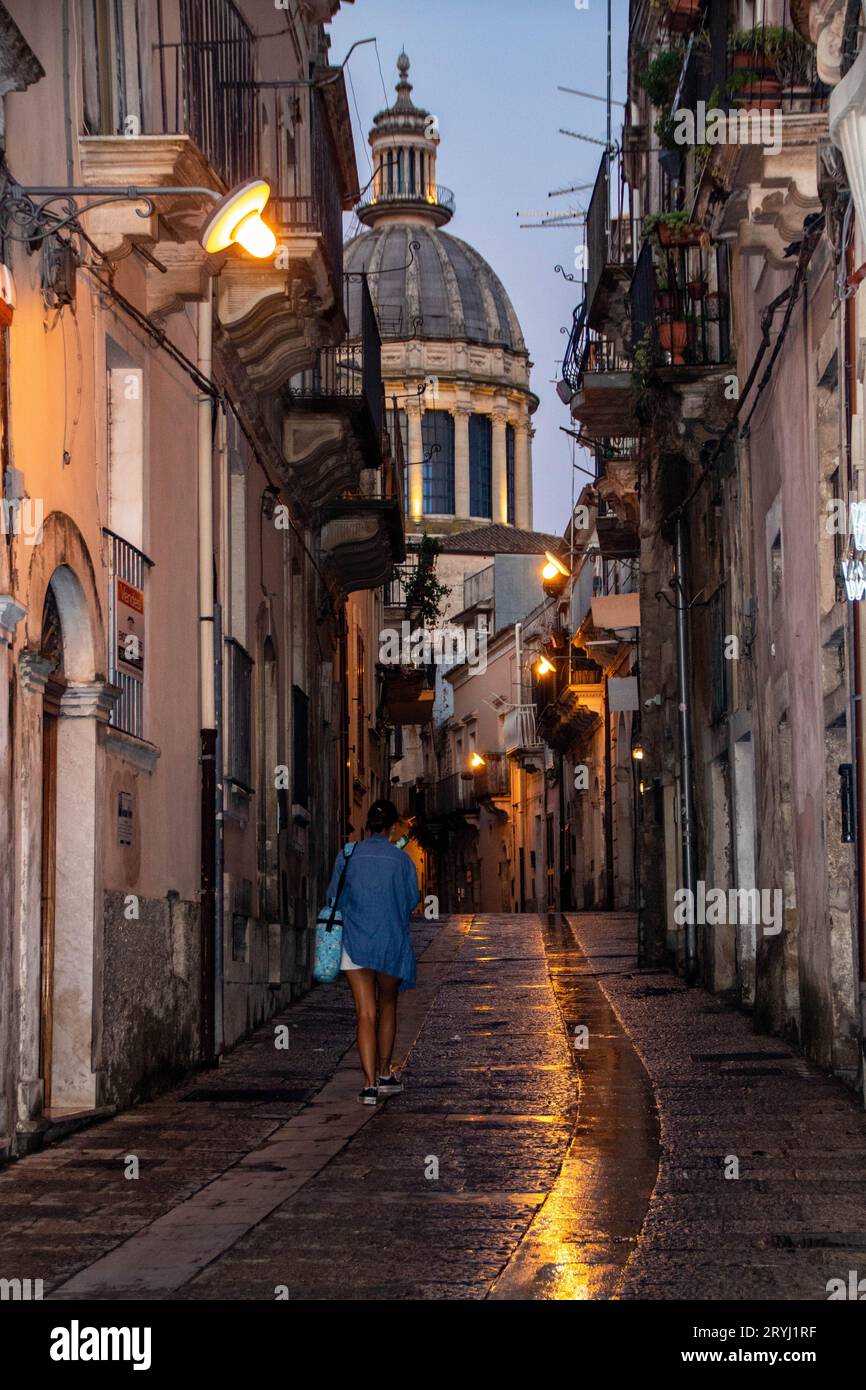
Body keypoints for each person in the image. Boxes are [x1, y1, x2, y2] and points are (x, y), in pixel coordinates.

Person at [325, 799, 419, 1104]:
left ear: (367, 826)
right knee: (388, 1005)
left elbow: (333, 898)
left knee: (364, 1012)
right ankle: (384, 1073)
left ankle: (367, 1086)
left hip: (354, 941)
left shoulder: (348, 854)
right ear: (393, 829)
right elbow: (410, 901)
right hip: (390, 943)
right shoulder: (402, 860)